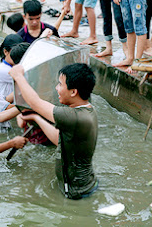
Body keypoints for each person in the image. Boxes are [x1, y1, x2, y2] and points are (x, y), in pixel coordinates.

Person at [9, 63, 98, 199]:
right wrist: (36, 118)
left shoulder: (72, 116)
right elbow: (59, 139)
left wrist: (18, 75)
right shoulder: (86, 109)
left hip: (76, 193)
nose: (56, 88)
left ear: (73, 92)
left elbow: (34, 102)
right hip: (85, 185)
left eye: (60, 84)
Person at [0, 34, 24, 99]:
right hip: (4, 104)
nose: (17, 55)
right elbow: (28, 79)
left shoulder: (14, 66)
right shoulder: (3, 70)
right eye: (14, 52)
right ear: (5, 52)